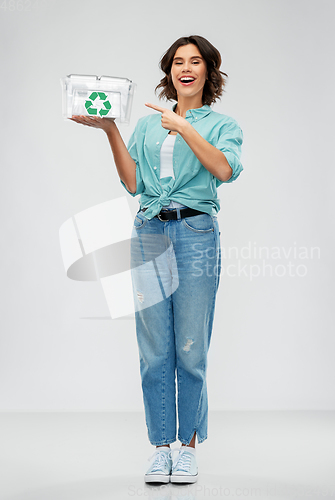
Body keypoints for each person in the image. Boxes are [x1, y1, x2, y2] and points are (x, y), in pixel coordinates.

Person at [70, 34, 243, 484]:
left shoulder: (222, 124)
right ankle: (160, 448)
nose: (186, 68)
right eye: (177, 62)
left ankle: (187, 447)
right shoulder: (147, 124)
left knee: (190, 346)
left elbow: (224, 170)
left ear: (209, 71)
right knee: (153, 350)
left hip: (195, 233)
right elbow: (133, 184)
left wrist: (185, 126)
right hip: (149, 230)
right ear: (169, 72)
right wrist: (110, 130)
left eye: (195, 61)